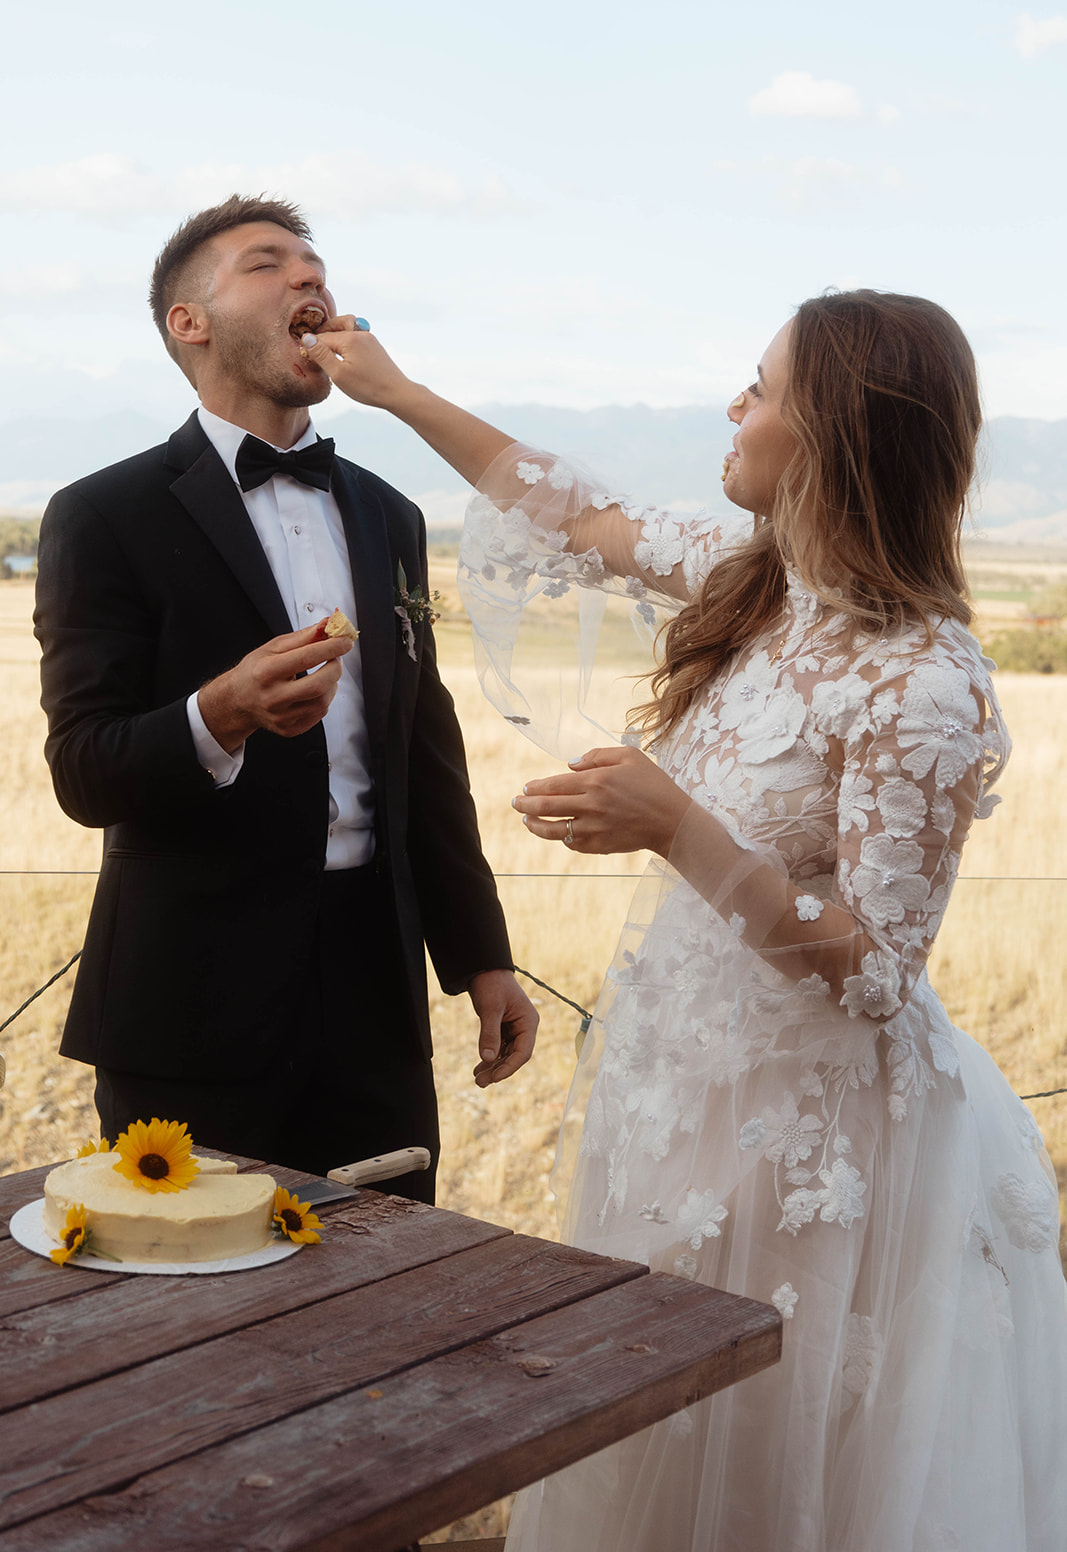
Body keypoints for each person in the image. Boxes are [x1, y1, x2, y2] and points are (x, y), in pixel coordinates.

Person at [295, 290, 1067, 1549]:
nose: (733, 407)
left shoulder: (920, 675)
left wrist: (672, 826)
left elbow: (874, 973)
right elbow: (568, 509)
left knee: (777, 1457)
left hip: (821, 1150)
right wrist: (396, 391)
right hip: (679, 1100)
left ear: (831, 433)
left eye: (758, 388)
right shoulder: (750, 583)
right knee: (652, 1435)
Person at [33, 194, 538, 1201]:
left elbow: (422, 756)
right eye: (269, 265)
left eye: (318, 268)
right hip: (189, 1005)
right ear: (191, 321)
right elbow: (84, 769)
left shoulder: (389, 516)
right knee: (189, 1311)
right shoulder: (101, 514)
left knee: (388, 1301)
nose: (310, 279)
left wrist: (482, 957)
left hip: (374, 1002)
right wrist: (217, 712)